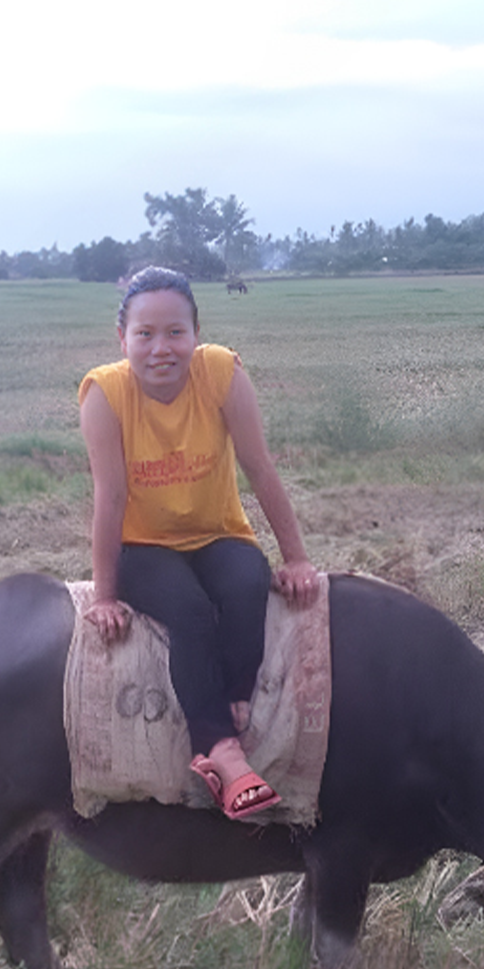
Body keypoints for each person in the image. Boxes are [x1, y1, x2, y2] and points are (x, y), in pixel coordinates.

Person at [79, 266, 319, 820]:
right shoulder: (105, 393)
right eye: (144, 334)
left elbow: (260, 469)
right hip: (142, 545)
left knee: (247, 583)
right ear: (123, 340)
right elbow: (110, 499)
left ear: (195, 333)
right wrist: (105, 596)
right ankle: (220, 751)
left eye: (175, 332)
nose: (160, 348)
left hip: (217, 533)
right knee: (187, 610)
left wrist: (298, 560)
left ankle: (232, 701)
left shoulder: (220, 372)